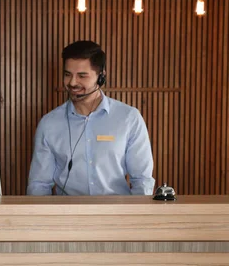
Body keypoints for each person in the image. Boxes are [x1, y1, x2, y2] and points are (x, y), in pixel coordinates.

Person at [27, 40, 155, 196]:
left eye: (82, 76)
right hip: (67, 217)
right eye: (68, 75)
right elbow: (39, 185)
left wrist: (137, 217)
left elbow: (142, 180)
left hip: (118, 215)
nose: (72, 83)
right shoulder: (49, 124)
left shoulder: (129, 118)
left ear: (101, 77)